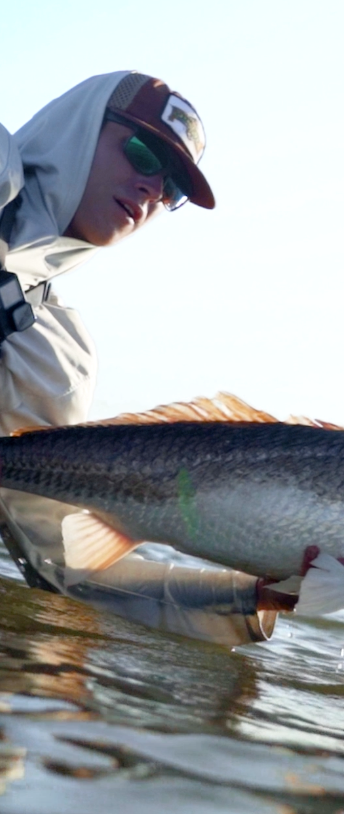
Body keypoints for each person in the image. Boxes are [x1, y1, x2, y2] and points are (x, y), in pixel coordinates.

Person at [0, 72, 277, 645]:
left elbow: (63, 568)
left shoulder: (56, 357)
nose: (151, 190)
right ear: (79, 127)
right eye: (141, 153)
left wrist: (257, 594)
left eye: (170, 189)